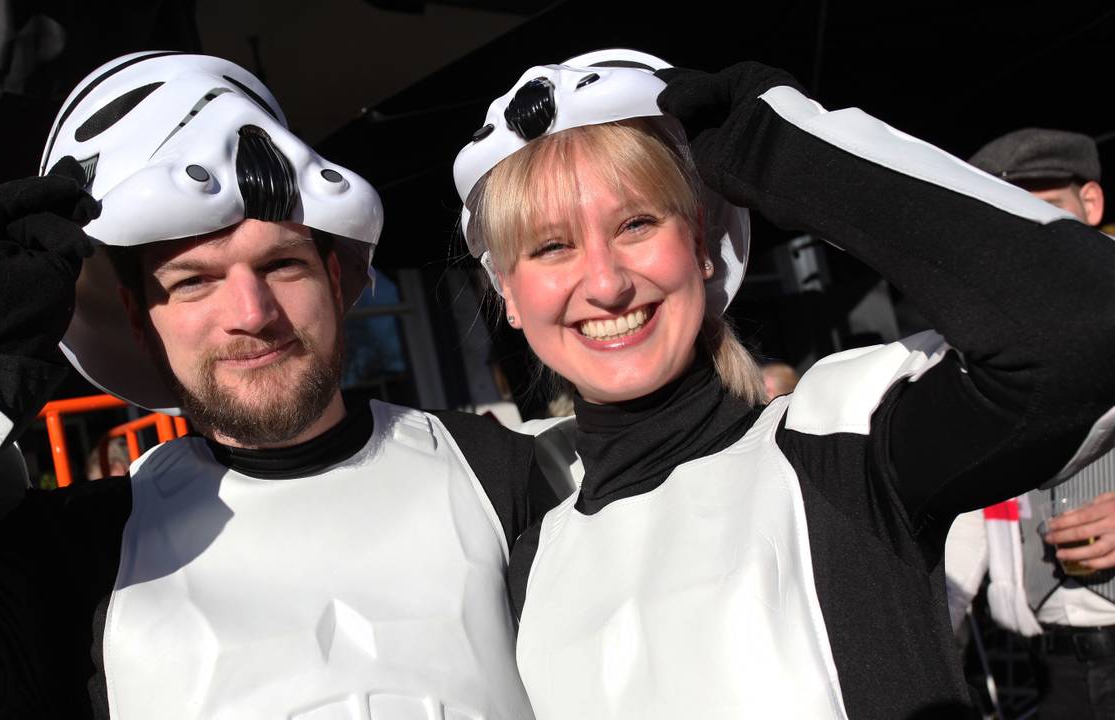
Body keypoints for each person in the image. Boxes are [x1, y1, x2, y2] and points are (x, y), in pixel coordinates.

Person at [0, 52, 561, 718]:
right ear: (138, 315)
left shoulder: (506, 475)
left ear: (337, 278)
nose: (252, 315)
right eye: (195, 282)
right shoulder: (78, 558)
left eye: (282, 266)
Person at [451, 50, 1115, 718]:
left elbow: (1083, 323)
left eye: (636, 224)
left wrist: (773, 143)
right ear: (507, 292)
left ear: (702, 240)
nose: (605, 283)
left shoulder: (840, 439)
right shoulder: (514, 547)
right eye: (551, 246)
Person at [941, 127, 1114, 719]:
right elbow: (964, 520)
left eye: (1047, 216)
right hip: (1055, 666)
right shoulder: (981, 356)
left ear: (1090, 205)